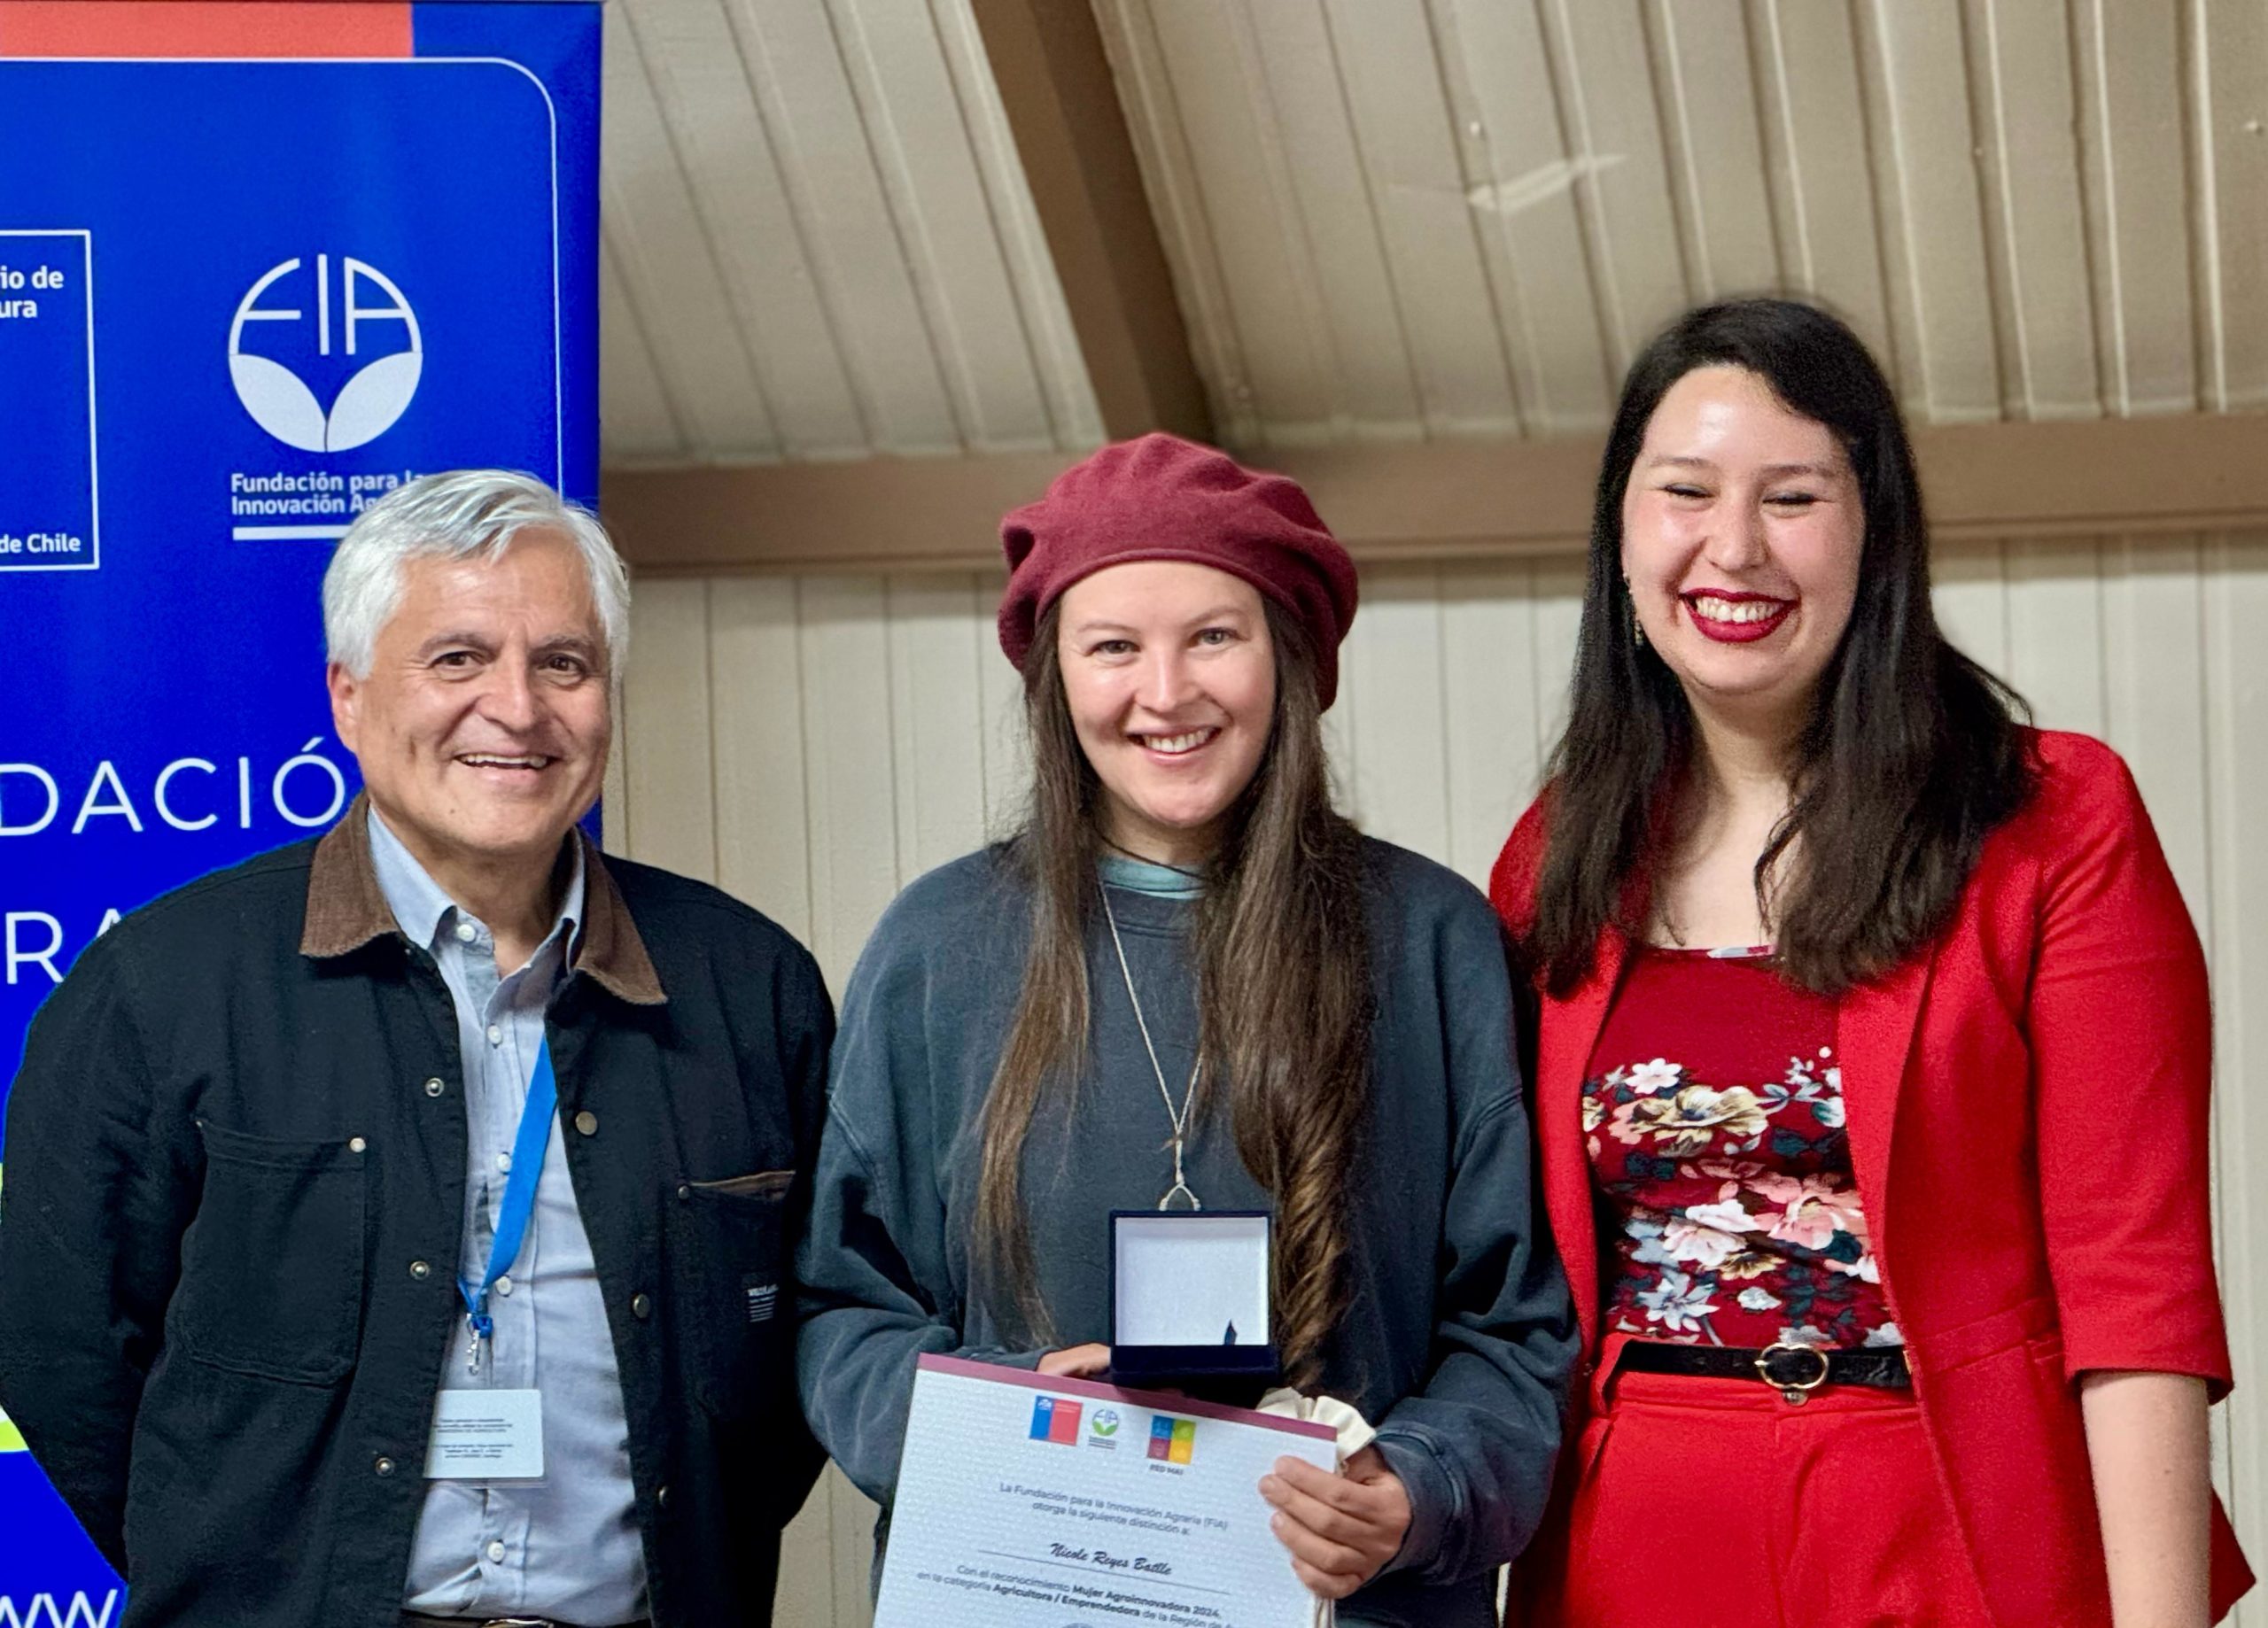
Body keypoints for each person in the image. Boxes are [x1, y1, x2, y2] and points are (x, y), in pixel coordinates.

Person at [1488, 298, 2254, 1627]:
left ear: (1875, 532)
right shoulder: (1557, 854)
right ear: (1621, 528)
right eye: (1685, 492)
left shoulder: (2049, 820)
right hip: (1634, 1532)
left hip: (1951, 1517)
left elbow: (2134, 1282)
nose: (1735, 546)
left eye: (1793, 497)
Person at [0, 471, 833, 1628]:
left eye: (564, 663)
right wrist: (243, 1570)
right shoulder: (158, 987)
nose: (518, 708)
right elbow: (61, 1345)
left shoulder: (749, 986)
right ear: (347, 698)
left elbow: (802, 1348)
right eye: (456, 659)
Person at [796, 432, 1576, 1626]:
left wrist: (1415, 1492)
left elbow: (1515, 1325)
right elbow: (847, 1310)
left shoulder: (1431, 940)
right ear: (1056, 678)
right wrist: (1014, 1421)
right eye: (1114, 646)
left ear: (1291, 659)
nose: (1165, 693)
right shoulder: (938, 947)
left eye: (1214, 636)